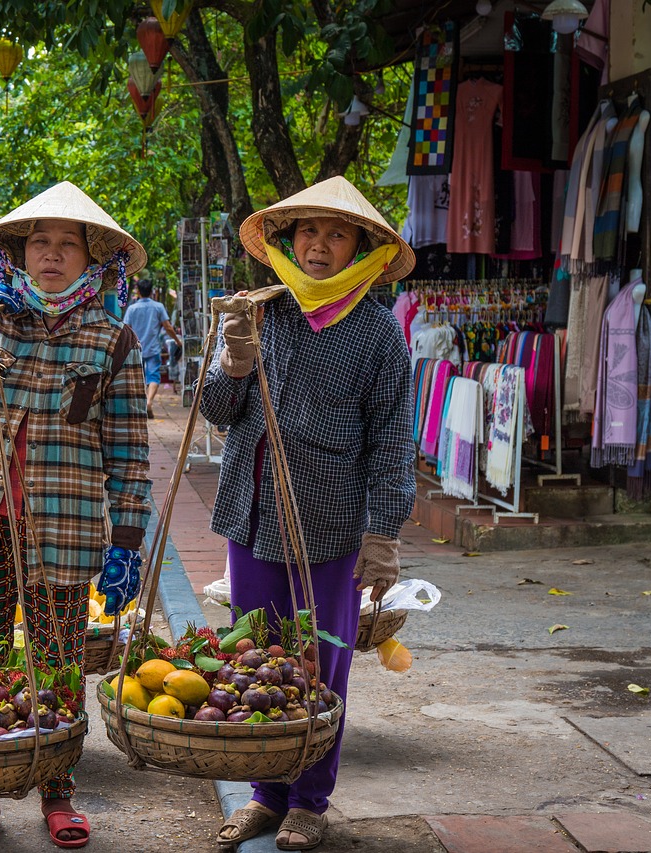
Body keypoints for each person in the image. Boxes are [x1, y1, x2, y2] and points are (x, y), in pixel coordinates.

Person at [0, 182, 152, 850]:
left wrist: (128, 542)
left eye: (67, 243)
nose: (51, 254)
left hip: (66, 524)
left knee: (57, 663)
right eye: (39, 242)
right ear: (19, 253)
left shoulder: (112, 339)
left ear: (92, 258)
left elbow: (130, 450)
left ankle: (58, 787)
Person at [200, 176, 415, 852]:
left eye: (337, 233)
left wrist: (382, 535)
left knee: (323, 665)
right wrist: (235, 362)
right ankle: (266, 794)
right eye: (308, 232)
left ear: (361, 248)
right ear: (287, 242)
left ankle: (311, 801)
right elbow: (215, 410)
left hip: (331, 524)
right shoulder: (259, 311)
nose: (319, 245)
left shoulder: (379, 335)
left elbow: (391, 440)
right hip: (253, 512)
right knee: (256, 658)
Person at [122, 279, 181, 418]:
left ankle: (139, 406)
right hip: (153, 348)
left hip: (135, 349)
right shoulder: (158, 306)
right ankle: (149, 402)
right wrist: (178, 341)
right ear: (151, 291)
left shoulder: (132, 308)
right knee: (153, 376)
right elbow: (167, 327)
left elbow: (125, 329)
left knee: (137, 377)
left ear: (139, 291)